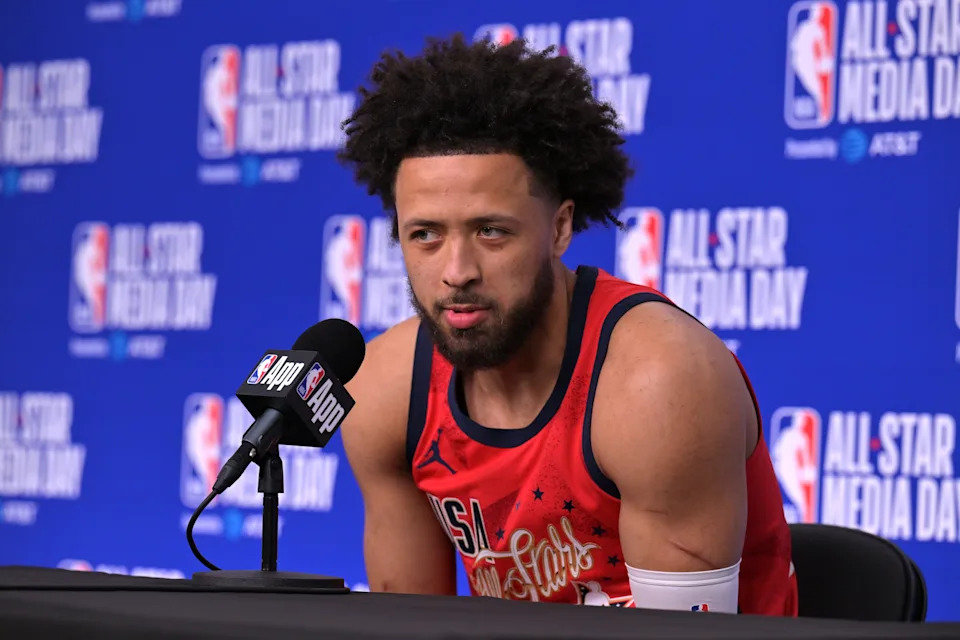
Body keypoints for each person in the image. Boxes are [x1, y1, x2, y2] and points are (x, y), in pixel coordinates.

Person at [336, 33, 798, 616]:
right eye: (425, 234)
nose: (456, 272)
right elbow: (409, 627)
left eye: (491, 231)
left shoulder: (659, 383)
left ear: (559, 229)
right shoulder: (388, 389)